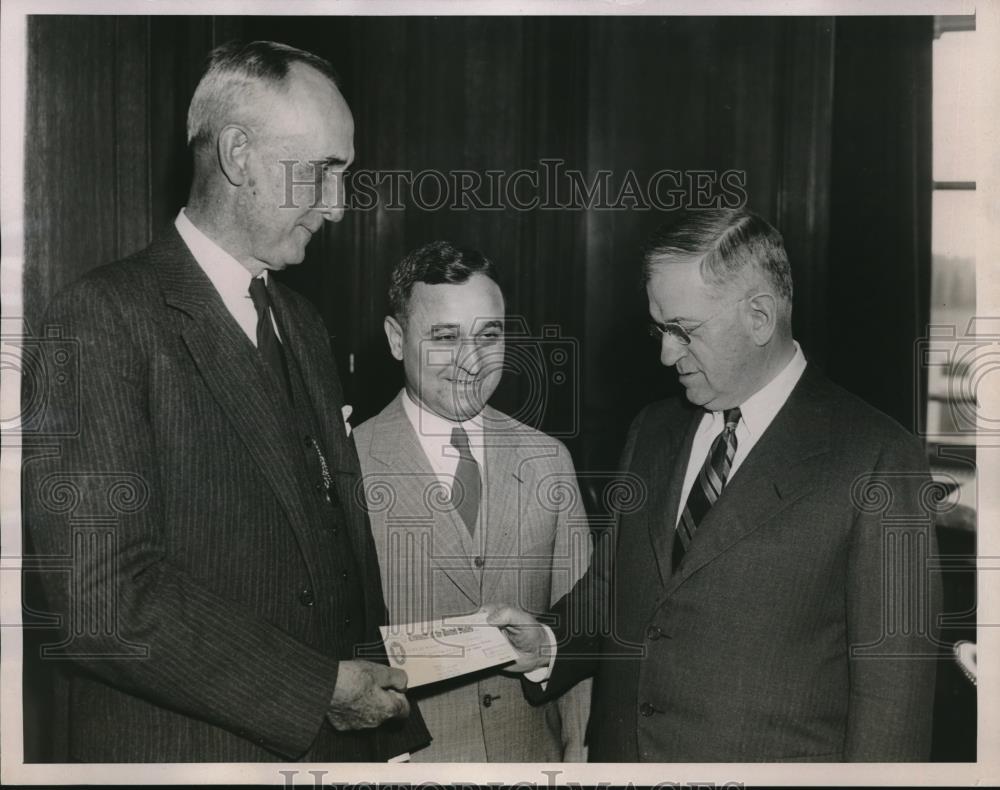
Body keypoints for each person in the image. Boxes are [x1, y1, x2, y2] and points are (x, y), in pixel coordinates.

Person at [23, 40, 428, 762]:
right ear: (239, 155)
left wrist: (389, 730)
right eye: (322, 172)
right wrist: (319, 691)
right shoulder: (99, 318)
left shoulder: (299, 320)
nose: (337, 207)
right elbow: (102, 603)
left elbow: (334, 556)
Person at [489, 208, 942, 762]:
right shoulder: (652, 431)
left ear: (759, 317)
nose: (665, 354)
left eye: (684, 330)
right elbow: (618, 590)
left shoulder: (876, 458)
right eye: (659, 329)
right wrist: (549, 640)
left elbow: (893, 703)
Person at [352, 241, 592, 761]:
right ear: (397, 340)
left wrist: (577, 755)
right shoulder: (347, 463)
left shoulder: (548, 459)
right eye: (444, 337)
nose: (471, 361)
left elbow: (582, 626)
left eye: (489, 335)